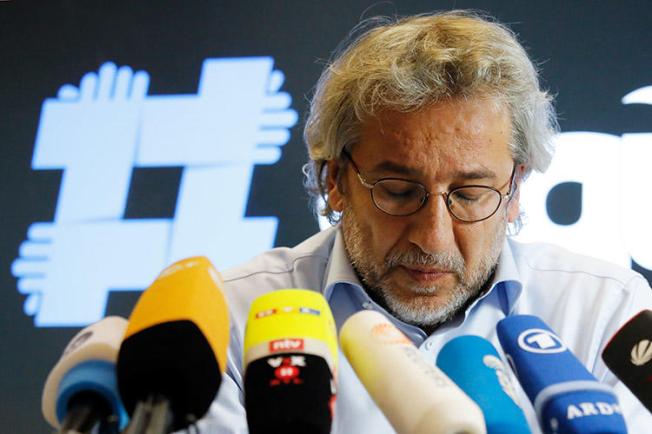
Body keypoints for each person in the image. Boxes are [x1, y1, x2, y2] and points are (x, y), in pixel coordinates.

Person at [199, 10, 652, 433]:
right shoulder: (231, 318)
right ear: (334, 180)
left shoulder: (605, 311)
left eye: (471, 194)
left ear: (515, 190)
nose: (432, 236)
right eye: (398, 191)